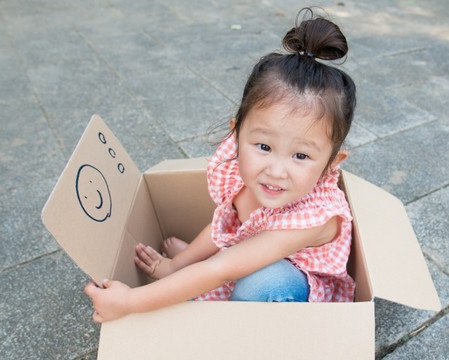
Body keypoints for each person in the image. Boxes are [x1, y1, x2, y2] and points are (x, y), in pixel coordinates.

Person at [84, 7, 357, 323]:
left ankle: (242, 328)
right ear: (237, 135)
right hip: (248, 259)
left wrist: (131, 301)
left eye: (301, 156)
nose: (276, 170)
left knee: (262, 281)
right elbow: (225, 225)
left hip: (295, 292)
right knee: (232, 263)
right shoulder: (257, 179)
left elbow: (221, 268)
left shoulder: (316, 217)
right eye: (264, 146)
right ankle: (192, 274)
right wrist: (178, 264)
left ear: (331, 163)